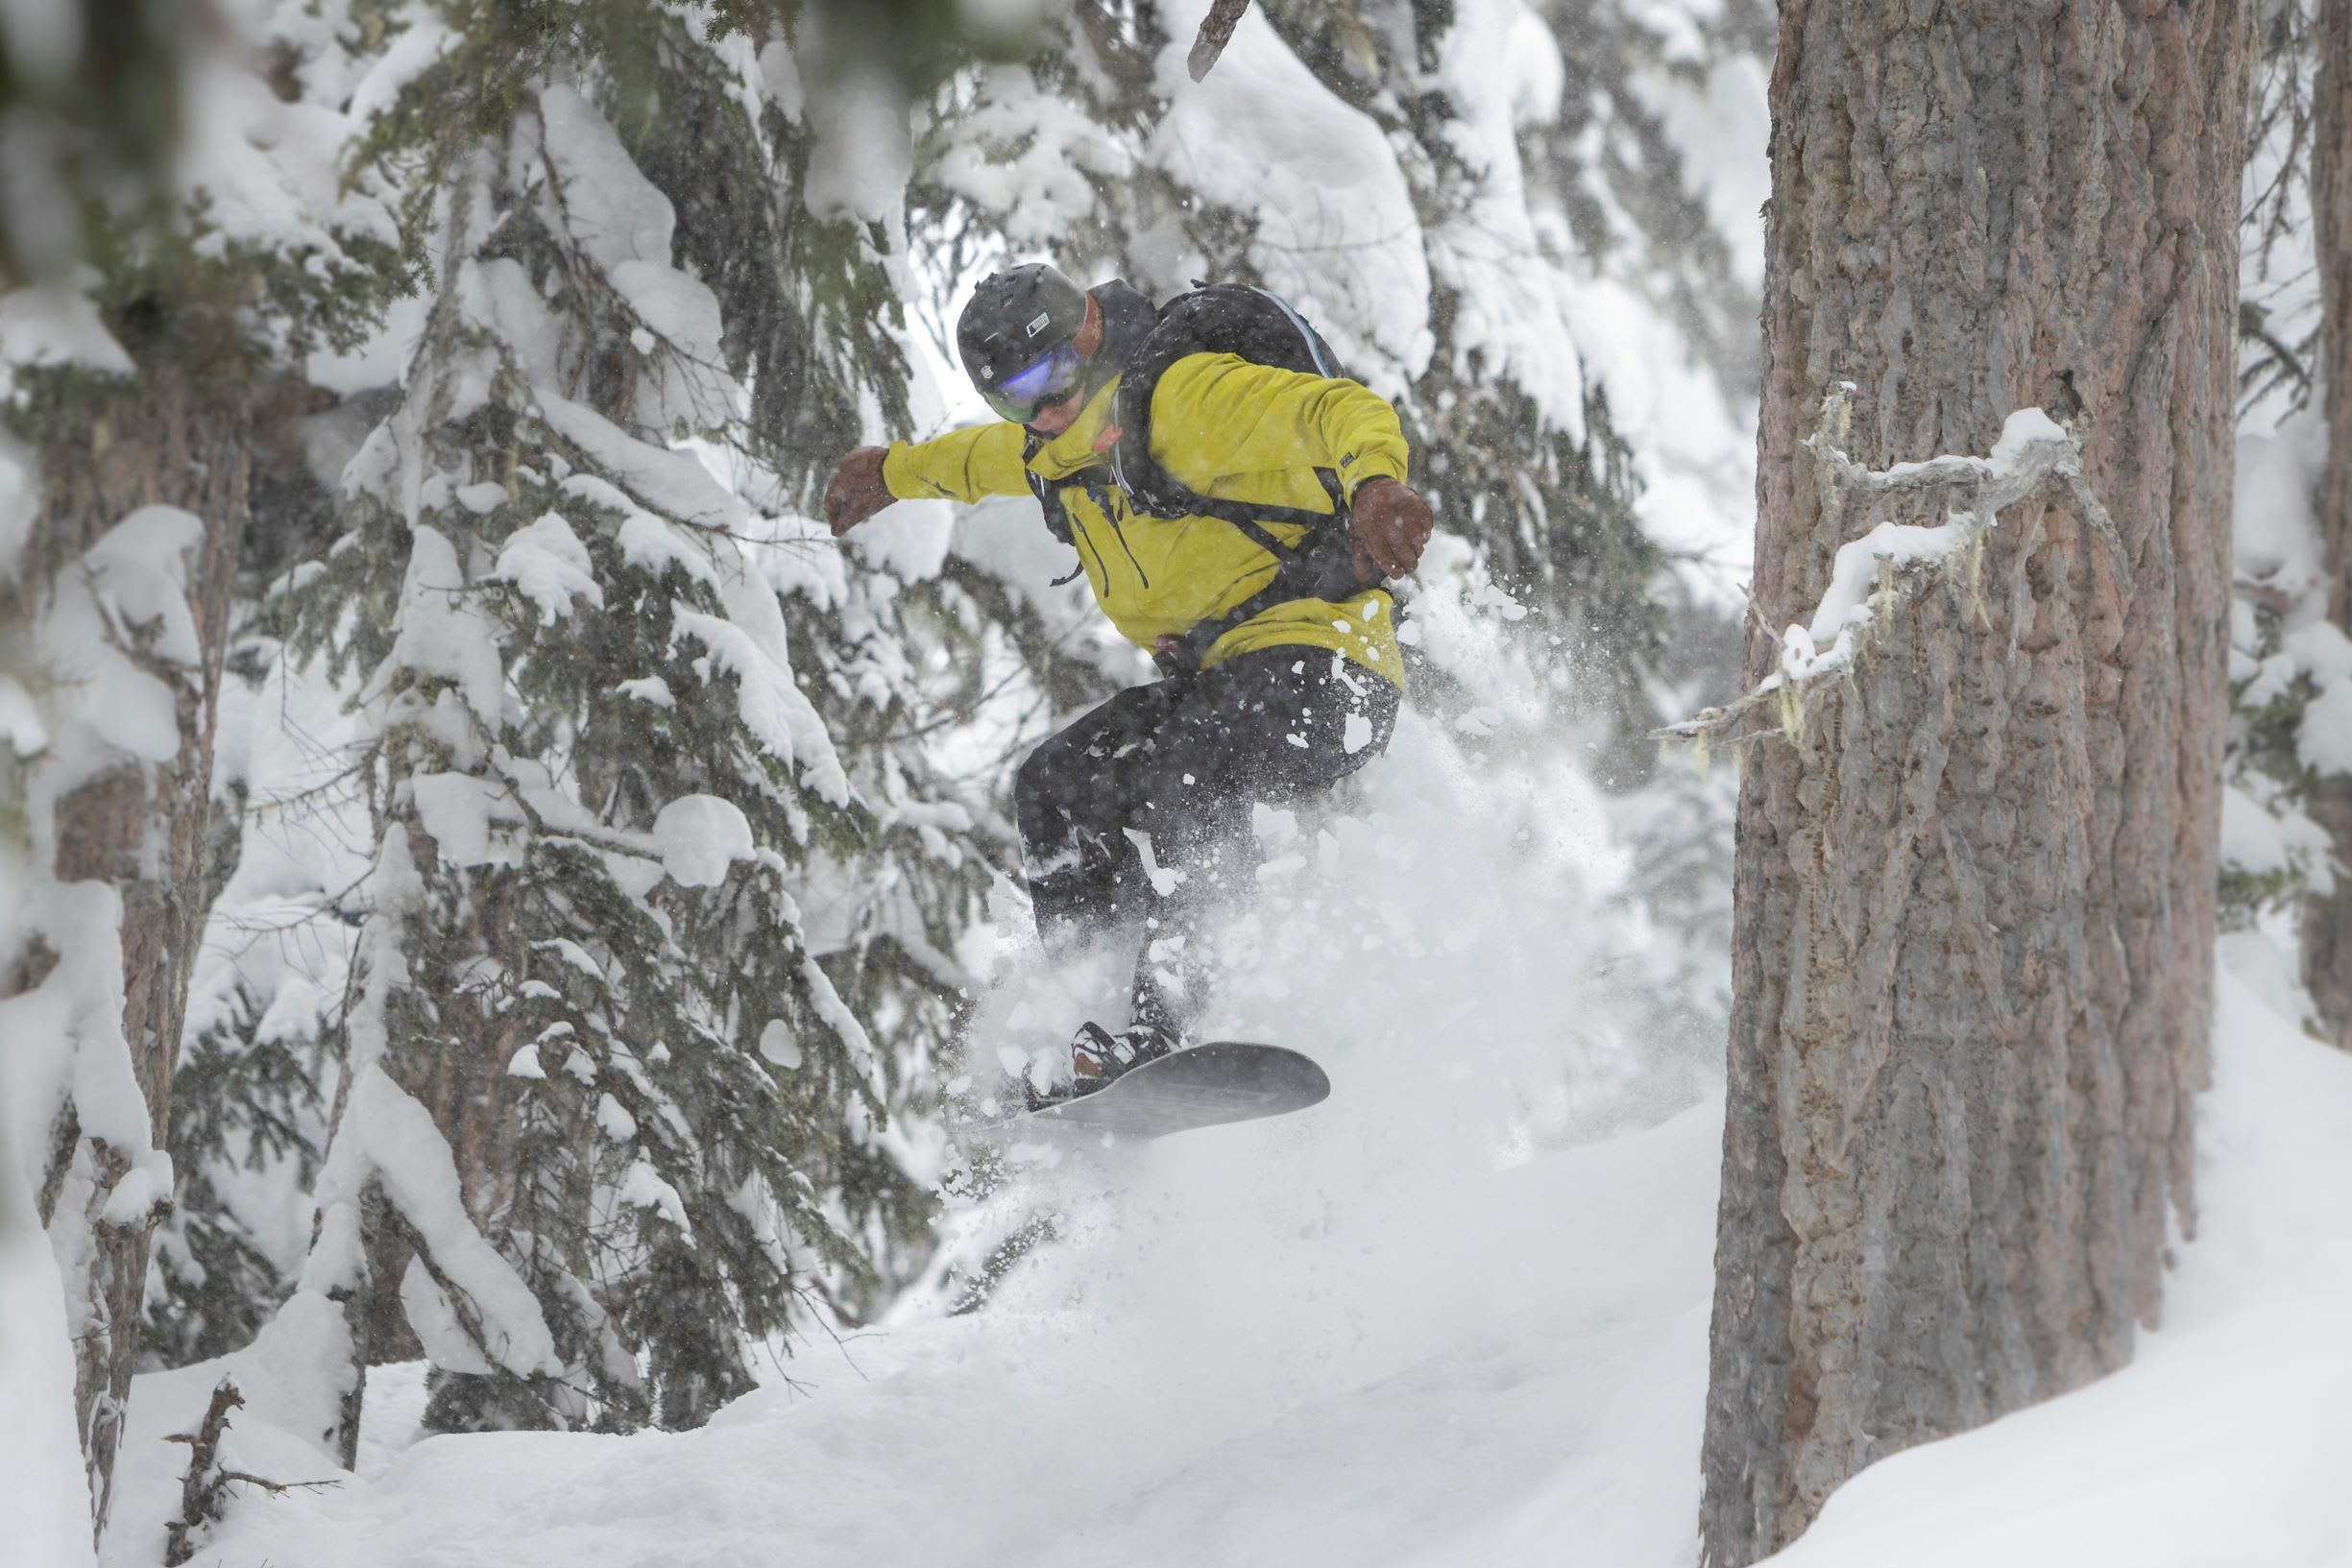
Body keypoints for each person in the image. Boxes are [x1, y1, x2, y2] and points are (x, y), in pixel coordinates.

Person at [823, 263, 1433, 1104]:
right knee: (1055, 784)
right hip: (1225, 681)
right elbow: (980, 459)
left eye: (1043, 382)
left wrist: (1375, 483)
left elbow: (1338, 411)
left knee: (1185, 766)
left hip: (1329, 666)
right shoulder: (1055, 451)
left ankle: (1171, 1011)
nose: (1035, 412)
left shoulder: (1181, 399)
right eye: (1012, 400)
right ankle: (1090, 1008)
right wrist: (889, 472)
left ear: (1086, 342)